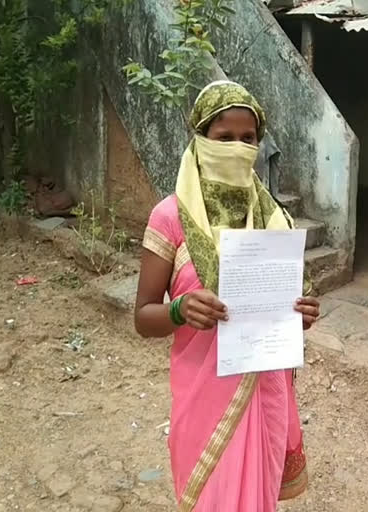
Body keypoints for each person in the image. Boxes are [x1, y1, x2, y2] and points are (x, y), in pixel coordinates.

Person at [134, 80, 319, 512]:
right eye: (224, 138)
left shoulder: (274, 218)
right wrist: (179, 310)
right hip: (203, 397)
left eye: (248, 138)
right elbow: (143, 317)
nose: (238, 147)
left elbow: (288, 305)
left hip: (263, 388)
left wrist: (302, 313)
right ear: (200, 139)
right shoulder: (170, 218)